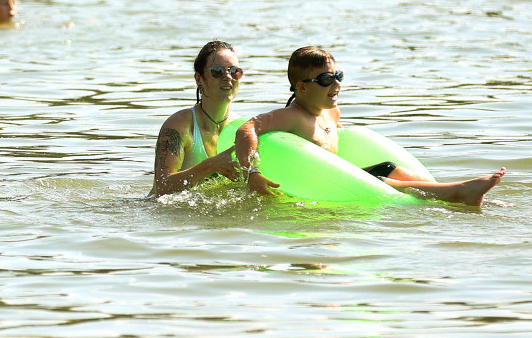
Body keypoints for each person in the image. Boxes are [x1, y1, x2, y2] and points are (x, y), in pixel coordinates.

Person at [235, 46, 505, 206]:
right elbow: (246, 129)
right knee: (381, 180)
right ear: (302, 87)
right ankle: (459, 192)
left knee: (388, 167)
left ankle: (458, 192)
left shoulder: (332, 114)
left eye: (338, 76)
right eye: (327, 79)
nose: (337, 84)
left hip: (345, 178)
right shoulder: (291, 116)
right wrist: (253, 172)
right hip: (326, 186)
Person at [151, 40, 244, 196]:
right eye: (217, 71)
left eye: (234, 71)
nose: (228, 77)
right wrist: (211, 165)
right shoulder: (180, 126)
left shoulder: (241, 127)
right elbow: (161, 187)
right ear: (199, 78)